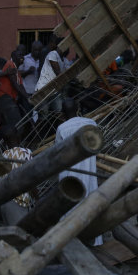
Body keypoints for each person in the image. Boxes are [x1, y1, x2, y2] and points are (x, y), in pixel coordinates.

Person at [55, 98, 101, 245]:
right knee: (90, 202)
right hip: (89, 170)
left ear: (62, 113)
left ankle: (71, 240)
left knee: (71, 205)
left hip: (70, 173)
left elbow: (58, 153)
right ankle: (93, 239)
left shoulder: (62, 128)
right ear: (78, 108)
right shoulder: (91, 123)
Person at [0, 49, 25, 129]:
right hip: (4, 97)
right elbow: (16, 84)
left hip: (8, 98)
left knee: (13, 122)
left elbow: (21, 86)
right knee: (15, 122)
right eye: (19, 55)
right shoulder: (10, 64)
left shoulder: (16, 70)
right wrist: (28, 97)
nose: (22, 57)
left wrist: (28, 97)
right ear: (13, 57)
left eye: (23, 55)